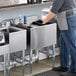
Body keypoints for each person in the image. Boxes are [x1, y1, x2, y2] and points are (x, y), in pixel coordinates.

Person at [40, 0, 76, 76]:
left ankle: (74, 70)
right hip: (69, 17)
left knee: (72, 46)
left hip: (67, 19)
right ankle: (64, 66)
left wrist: (44, 20)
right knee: (63, 42)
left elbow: (54, 11)